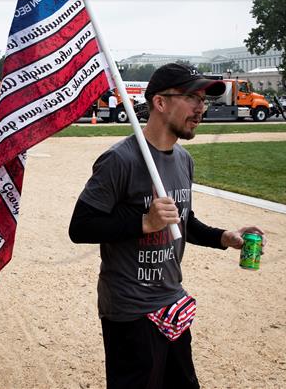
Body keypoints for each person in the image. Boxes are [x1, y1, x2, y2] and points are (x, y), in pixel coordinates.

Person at [69, 63, 266, 389]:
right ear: (160, 103)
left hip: (171, 301)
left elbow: (182, 220)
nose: (201, 108)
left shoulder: (183, 160)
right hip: (130, 311)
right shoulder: (120, 159)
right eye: (192, 98)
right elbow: (81, 227)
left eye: (204, 100)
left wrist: (223, 237)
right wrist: (144, 222)